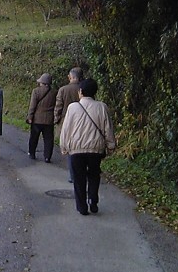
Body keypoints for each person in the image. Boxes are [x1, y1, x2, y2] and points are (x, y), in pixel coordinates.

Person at [59, 78, 116, 215]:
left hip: (76, 150)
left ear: (80, 91)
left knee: (78, 178)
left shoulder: (73, 107)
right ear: (95, 92)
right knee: (94, 175)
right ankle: (93, 200)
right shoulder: (102, 107)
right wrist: (111, 145)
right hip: (95, 149)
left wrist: (64, 146)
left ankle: (82, 207)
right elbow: (108, 128)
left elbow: (66, 129)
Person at [54, 67, 84, 181]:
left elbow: (58, 106)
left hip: (66, 121)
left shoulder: (63, 90)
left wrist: (56, 119)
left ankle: (73, 175)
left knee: (70, 148)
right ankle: (81, 172)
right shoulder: (83, 88)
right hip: (82, 121)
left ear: (71, 77)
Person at [26, 73, 57, 162]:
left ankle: (32, 153)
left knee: (34, 137)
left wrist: (30, 116)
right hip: (49, 119)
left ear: (42, 82)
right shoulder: (54, 92)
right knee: (48, 139)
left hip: (37, 118)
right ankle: (47, 157)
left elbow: (32, 105)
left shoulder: (36, 91)